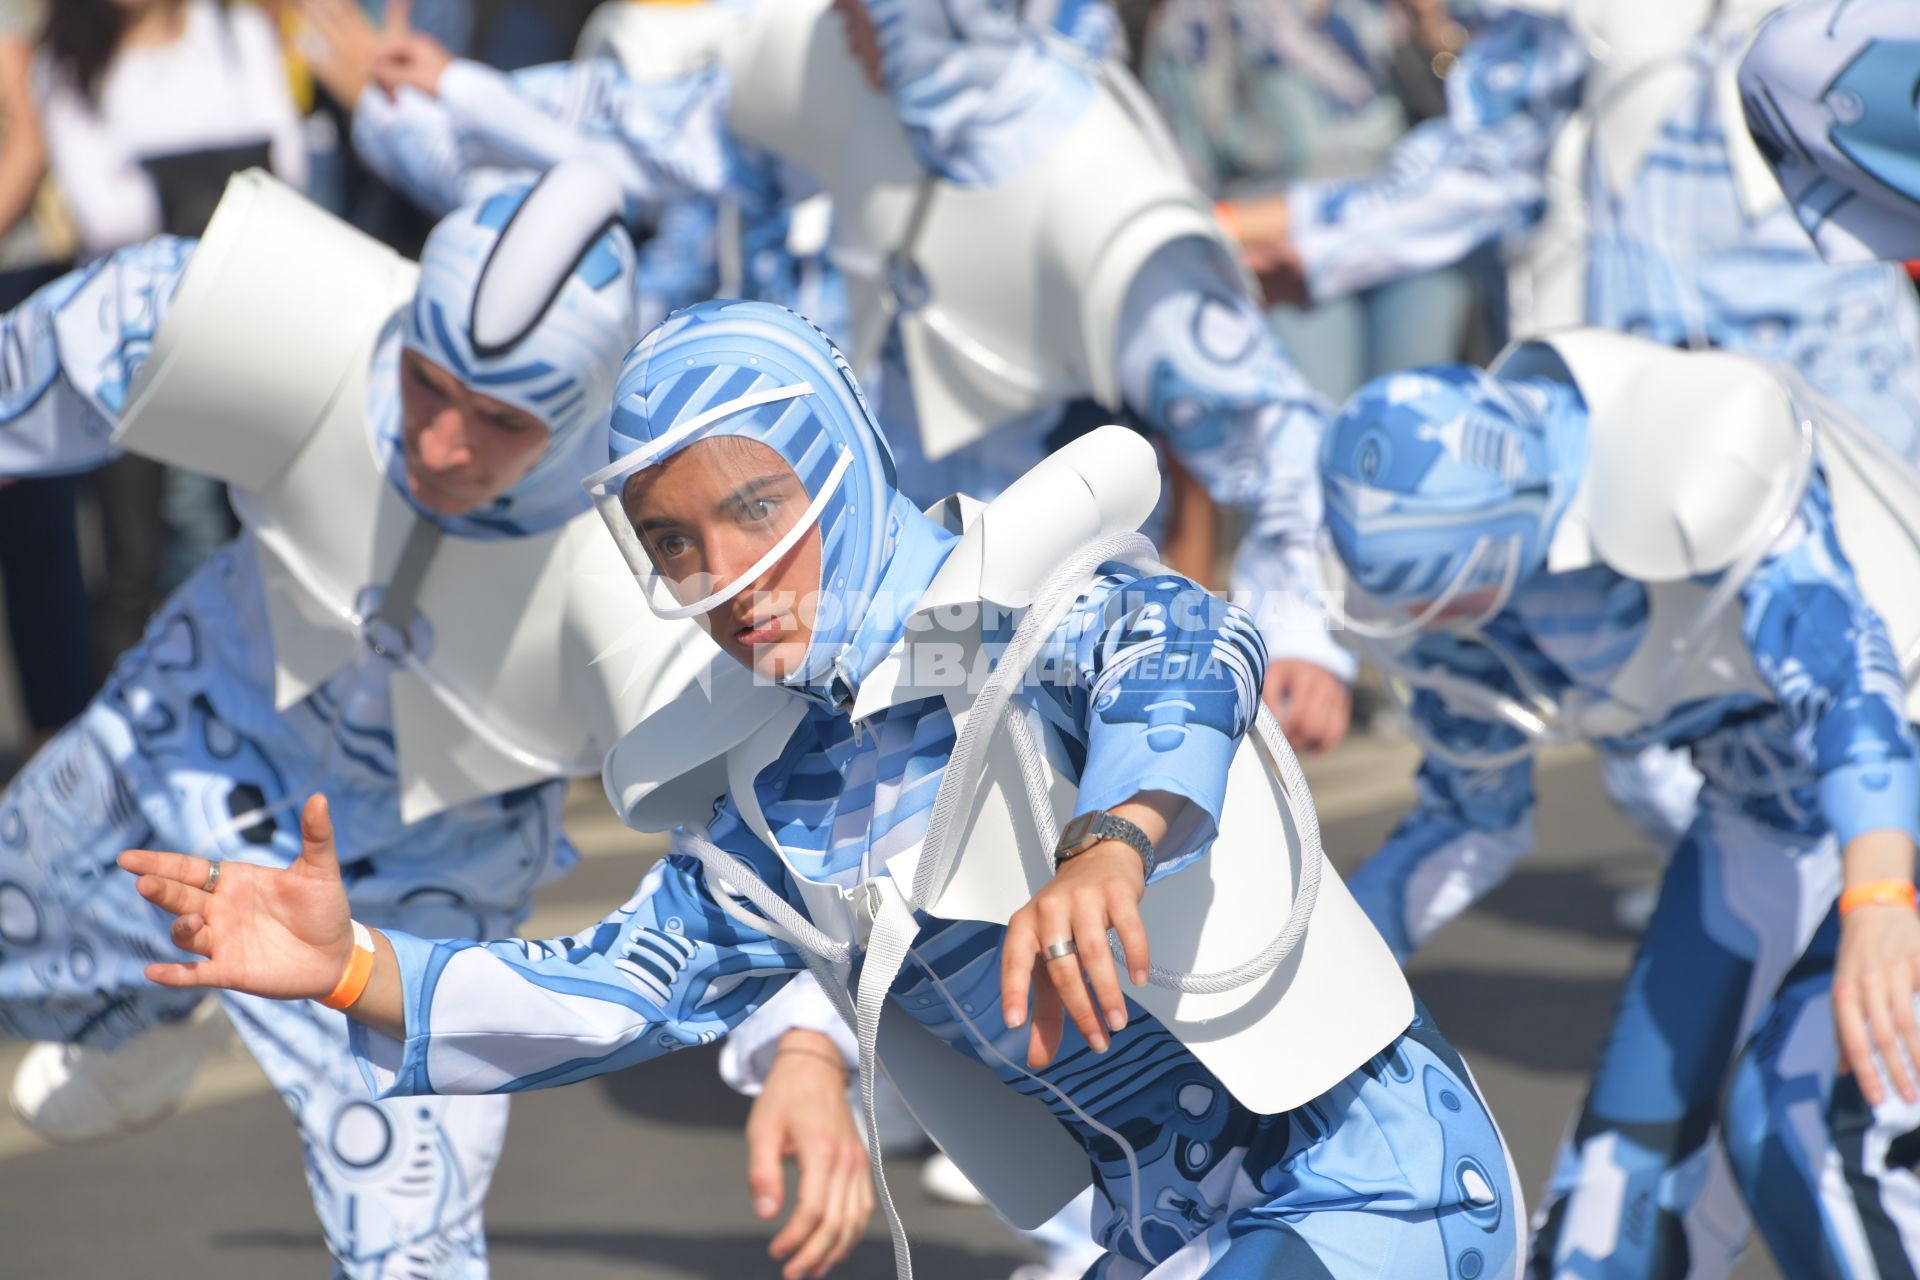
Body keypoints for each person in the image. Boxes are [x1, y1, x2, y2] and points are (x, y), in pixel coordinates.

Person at [121, 297, 1522, 1280]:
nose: (721, 574)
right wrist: (351, 963)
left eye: (753, 505)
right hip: (1167, 1232)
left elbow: (1178, 634)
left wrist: (1110, 844)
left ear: (843, 470)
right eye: (670, 536)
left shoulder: (982, 617)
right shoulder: (782, 801)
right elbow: (608, 990)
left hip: (1372, 1178)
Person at [0, 161, 860, 1280]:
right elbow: (38, 368)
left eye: (501, 420)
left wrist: (807, 1045)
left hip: (417, 887)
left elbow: (782, 809)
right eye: (425, 383)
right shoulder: (283, 314)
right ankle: (142, 1014)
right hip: (188, 729)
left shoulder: (654, 551)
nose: (442, 443)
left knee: (413, 1250)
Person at [349, 0, 1360, 755]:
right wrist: (461, 90)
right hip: (791, 577)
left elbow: (1271, 435)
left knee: (991, 877)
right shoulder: (838, 56)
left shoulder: (1104, 205)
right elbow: (668, 129)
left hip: (984, 601)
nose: (842, 16)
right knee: (811, 864)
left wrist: (1307, 635)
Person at [1317, 331, 1920, 1276]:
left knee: (1801, 1135)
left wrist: (1881, 897)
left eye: (1455, 596)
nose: (1437, 639)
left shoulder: (1694, 449)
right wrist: (1308, 986)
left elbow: (1851, 684)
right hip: (1759, 806)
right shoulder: (1444, 598)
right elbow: (1470, 815)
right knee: (1606, 1231)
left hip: (1895, 779)